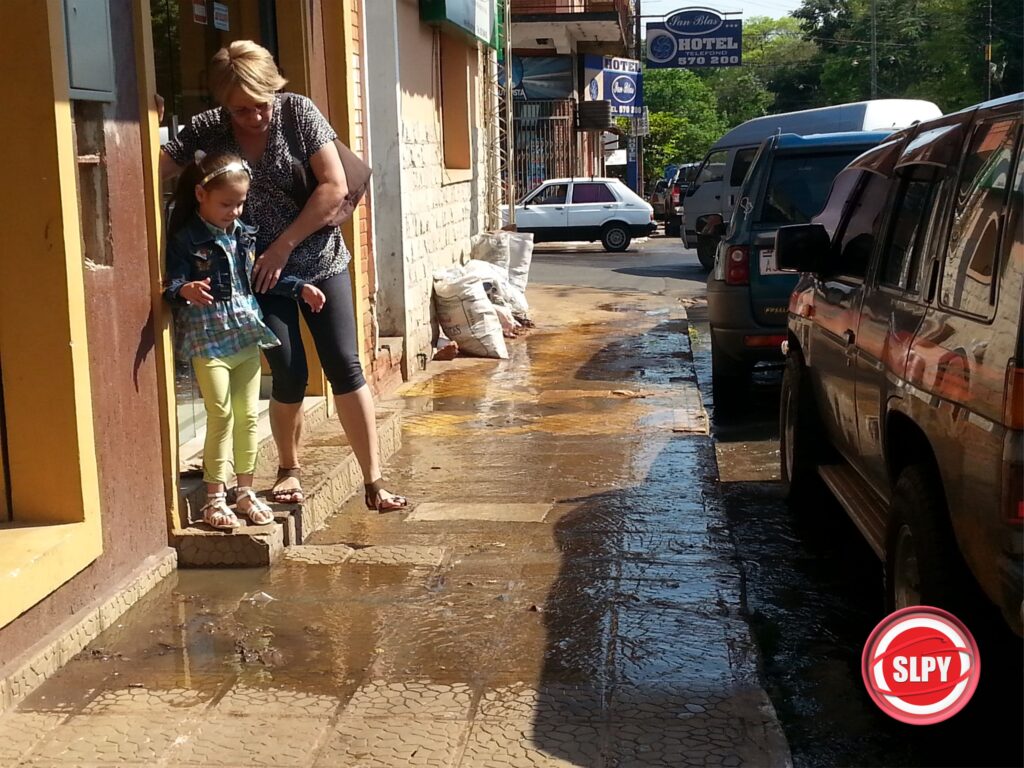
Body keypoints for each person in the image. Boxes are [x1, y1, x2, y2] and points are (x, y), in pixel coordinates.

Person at [160, 40, 407, 512]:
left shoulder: (297, 113)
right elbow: (156, 166)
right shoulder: (211, 128)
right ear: (222, 105)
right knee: (288, 371)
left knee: (343, 364)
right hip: (256, 273)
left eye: (261, 104)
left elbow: (333, 186)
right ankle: (288, 469)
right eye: (241, 110)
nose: (255, 117)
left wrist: (283, 246)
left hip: (317, 258)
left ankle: (374, 482)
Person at [164, 151, 327, 530]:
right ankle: (214, 498)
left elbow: (257, 279)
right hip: (208, 341)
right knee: (220, 414)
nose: (235, 211)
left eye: (240, 203)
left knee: (247, 416)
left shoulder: (244, 236)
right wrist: (183, 290)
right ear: (201, 194)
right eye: (226, 204)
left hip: (245, 336)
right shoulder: (186, 239)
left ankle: (245, 491)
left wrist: (299, 287)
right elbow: (172, 283)